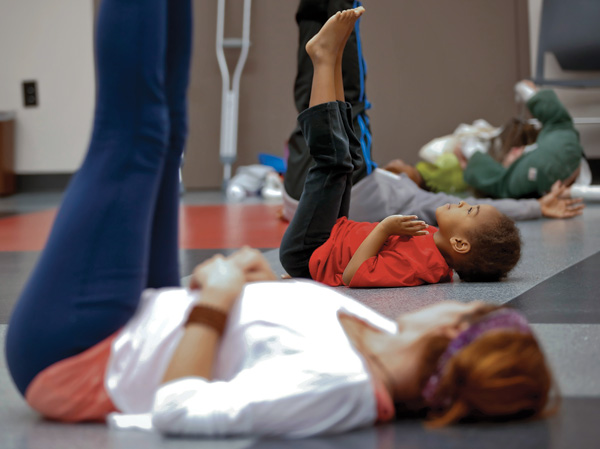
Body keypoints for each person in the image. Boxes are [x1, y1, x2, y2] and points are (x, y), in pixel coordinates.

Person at [5, 5, 554, 436]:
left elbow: (180, 407)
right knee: (165, 132)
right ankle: (322, 63)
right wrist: (259, 288)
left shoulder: (342, 387)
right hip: (145, 318)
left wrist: (220, 301)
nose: (452, 307)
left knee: (137, 135)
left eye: (467, 314)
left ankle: (323, 64)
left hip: (79, 353)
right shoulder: (379, 340)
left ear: (451, 336)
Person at [281, 2, 584, 225]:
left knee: (348, 102)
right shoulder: (400, 190)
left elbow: (477, 206)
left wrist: (537, 208)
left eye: (408, 170)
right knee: (312, 102)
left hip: (342, 190)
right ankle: (314, 13)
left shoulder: (414, 199)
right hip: (299, 198)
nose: (402, 164)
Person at [279, 10, 521, 287]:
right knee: (349, 160)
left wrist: (384, 228)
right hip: (326, 244)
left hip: (309, 251)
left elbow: (353, 275)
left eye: (470, 212)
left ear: (460, 244)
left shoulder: (425, 266)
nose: (464, 203)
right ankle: (332, 56)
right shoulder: (431, 238)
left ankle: (323, 58)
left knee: (332, 163)